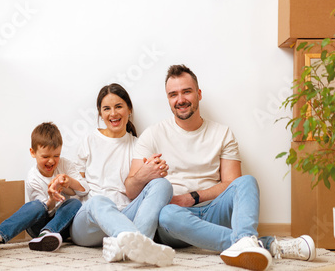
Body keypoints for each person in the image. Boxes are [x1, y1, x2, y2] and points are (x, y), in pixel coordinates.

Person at [125, 64, 316, 271]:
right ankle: (261, 244)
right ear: (168, 99)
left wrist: (192, 197)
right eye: (173, 94)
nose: (180, 99)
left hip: (213, 210)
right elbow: (130, 191)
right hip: (175, 220)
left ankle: (245, 241)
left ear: (198, 94)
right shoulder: (153, 135)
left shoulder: (222, 133)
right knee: (167, 214)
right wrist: (143, 175)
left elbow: (232, 183)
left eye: (186, 91)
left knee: (247, 181)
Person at [70, 83, 175, 267]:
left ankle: (132, 246)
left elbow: (141, 188)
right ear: (100, 114)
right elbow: (79, 187)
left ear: (129, 110)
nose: (113, 113)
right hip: (90, 223)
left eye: (118, 106)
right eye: (107, 108)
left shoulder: (138, 145)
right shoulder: (89, 140)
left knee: (163, 184)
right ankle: (141, 242)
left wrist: (153, 172)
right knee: (99, 201)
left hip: (126, 215)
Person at [0, 122, 89, 254]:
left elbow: (85, 190)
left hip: (61, 226)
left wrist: (69, 182)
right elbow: (43, 211)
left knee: (75, 203)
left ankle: (47, 235)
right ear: (33, 152)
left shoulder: (66, 165)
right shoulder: (33, 178)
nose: (51, 161)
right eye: (45, 156)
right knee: (36, 205)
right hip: (39, 224)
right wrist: (51, 199)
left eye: (56, 156)